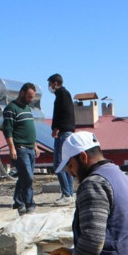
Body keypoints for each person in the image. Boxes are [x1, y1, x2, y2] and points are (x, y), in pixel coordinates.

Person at [3, 82, 39, 215]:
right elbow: (8, 130)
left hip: (30, 148)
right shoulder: (11, 109)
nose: (31, 100)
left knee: (25, 177)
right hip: (20, 148)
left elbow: (30, 128)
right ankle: (28, 202)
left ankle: (19, 202)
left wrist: (35, 145)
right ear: (22, 93)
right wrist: (12, 148)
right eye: (29, 97)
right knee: (27, 177)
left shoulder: (28, 109)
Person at [47, 73, 75, 204]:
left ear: (55, 83)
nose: (50, 87)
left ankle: (67, 194)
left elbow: (62, 113)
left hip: (63, 132)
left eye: (50, 84)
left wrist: (56, 128)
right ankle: (70, 193)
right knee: (66, 163)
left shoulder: (62, 95)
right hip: (67, 131)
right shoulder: (65, 94)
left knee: (58, 164)